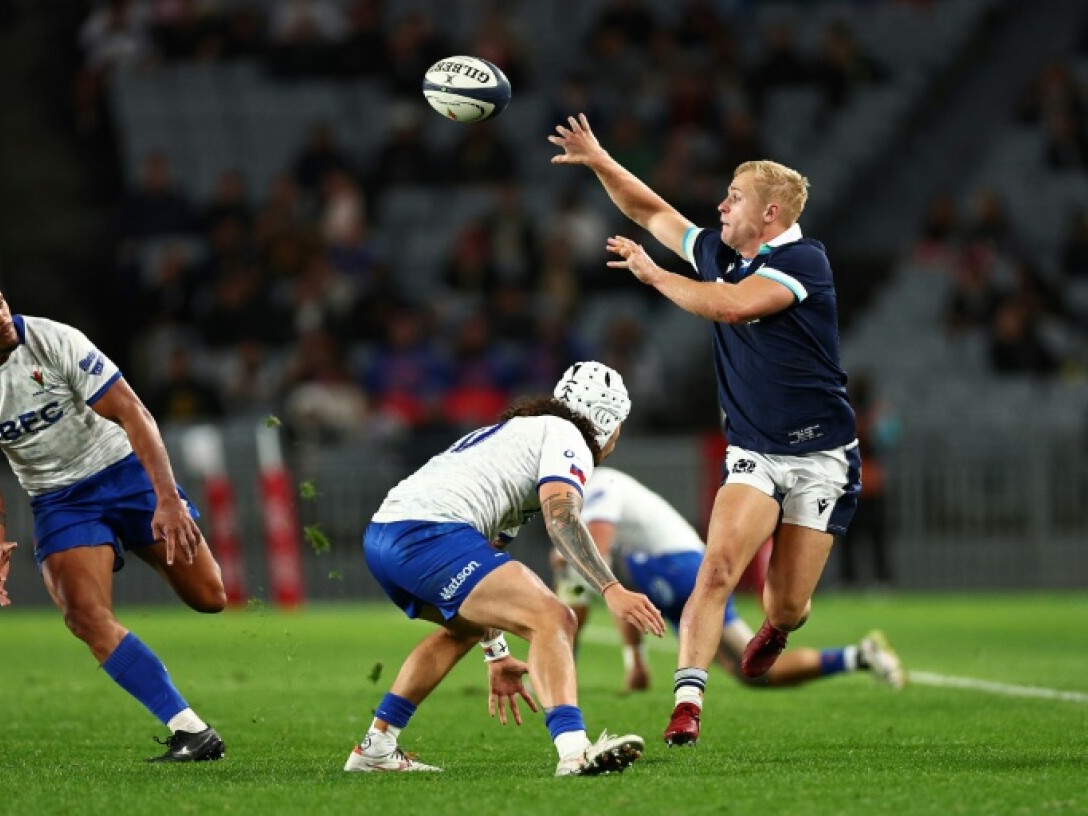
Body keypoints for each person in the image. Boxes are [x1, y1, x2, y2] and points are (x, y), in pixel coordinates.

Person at [551, 114, 861, 747]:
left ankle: (776, 630)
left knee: (787, 607)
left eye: (735, 197)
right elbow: (653, 212)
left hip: (822, 458)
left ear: (771, 213)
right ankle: (687, 701)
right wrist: (599, 158)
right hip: (754, 453)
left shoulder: (805, 260)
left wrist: (654, 275)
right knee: (715, 569)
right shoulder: (725, 253)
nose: (720, 204)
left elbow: (729, 306)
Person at [0, 263, 227, 762]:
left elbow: (133, 412)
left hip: (125, 472)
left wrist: (167, 499)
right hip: (60, 499)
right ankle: (191, 731)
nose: (0, 316)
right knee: (84, 616)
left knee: (210, 597)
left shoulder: (53, 340)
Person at [343, 361, 666, 777]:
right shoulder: (567, 436)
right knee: (554, 617)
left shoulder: (521, 434)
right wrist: (610, 587)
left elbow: (487, 557)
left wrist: (496, 654)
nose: (617, 439)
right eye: (618, 425)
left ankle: (376, 746)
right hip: (428, 532)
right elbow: (562, 518)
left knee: (463, 628)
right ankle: (574, 752)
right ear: (604, 420)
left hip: (385, 537)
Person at [551, 467, 903, 695]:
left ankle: (561, 675)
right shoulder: (605, 487)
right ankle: (857, 657)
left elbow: (595, 558)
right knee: (753, 672)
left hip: (678, 570)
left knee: (576, 570)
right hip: (682, 569)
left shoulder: (598, 487)